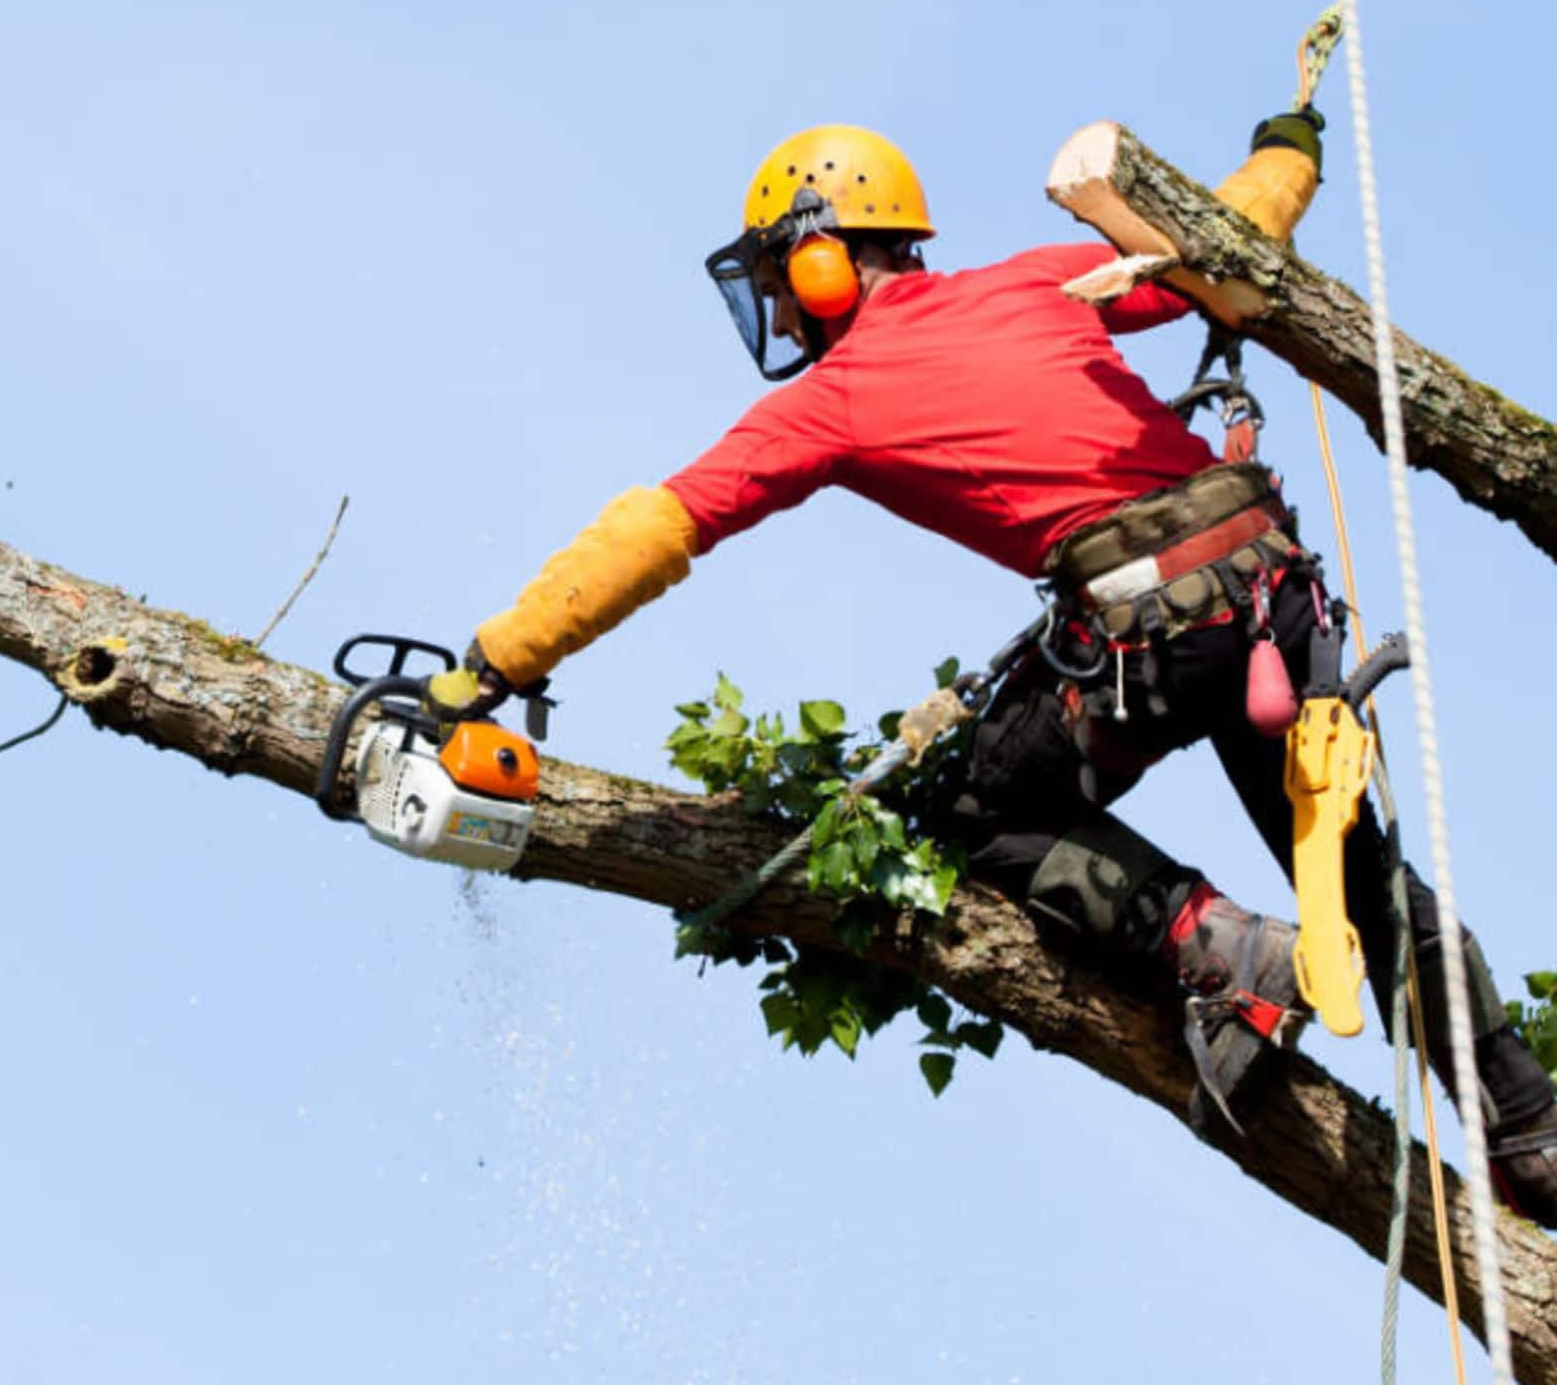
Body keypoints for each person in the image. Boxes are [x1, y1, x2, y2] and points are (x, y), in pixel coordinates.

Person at [427, 120, 1557, 1222]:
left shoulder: (835, 397)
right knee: (1360, 882)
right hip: (1270, 599)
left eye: (778, 278)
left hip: (1151, 628)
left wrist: (495, 660)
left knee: (972, 819)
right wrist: (1289, 151)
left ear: (822, 254)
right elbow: (1227, 236)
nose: (775, 309)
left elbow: (659, 527)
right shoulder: (1031, 282)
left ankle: (1220, 950)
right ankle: (1529, 1133)